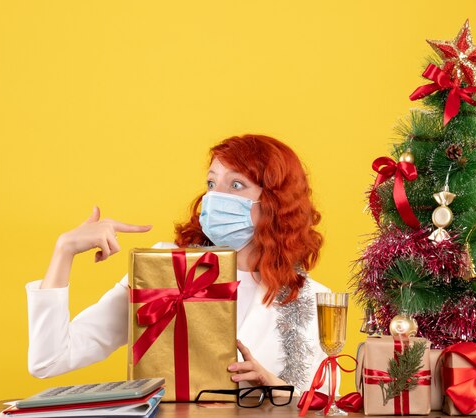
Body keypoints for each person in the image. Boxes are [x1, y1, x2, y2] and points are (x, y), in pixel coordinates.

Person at [27, 134, 331, 393]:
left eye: (236, 185)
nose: (215, 198)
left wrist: (274, 386)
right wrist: (63, 251)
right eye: (212, 183)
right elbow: (50, 359)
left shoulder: (311, 298)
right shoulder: (163, 268)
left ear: (275, 203)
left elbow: (328, 406)